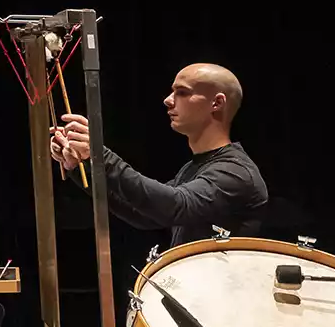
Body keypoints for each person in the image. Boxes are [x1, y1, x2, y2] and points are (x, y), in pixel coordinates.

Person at [50, 61, 268, 244]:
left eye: (182, 92)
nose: (168, 100)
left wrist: (100, 155)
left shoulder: (236, 172)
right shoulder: (197, 167)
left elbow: (173, 206)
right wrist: (80, 166)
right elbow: (144, 214)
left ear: (217, 102)